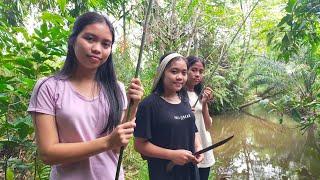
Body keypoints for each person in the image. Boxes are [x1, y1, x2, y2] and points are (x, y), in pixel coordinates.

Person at [27, 12, 143, 180]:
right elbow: (48, 153)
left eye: (105, 44)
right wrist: (107, 142)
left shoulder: (116, 89)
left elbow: (118, 148)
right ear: (73, 39)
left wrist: (134, 105)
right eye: (89, 39)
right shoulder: (49, 87)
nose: (97, 48)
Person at [134, 52, 204, 180]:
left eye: (183, 73)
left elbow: (192, 128)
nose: (180, 77)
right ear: (162, 73)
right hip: (164, 173)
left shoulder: (184, 99)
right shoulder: (148, 105)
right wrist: (171, 155)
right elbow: (139, 145)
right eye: (174, 71)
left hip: (190, 172)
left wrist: (198, 147)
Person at [185, 56, 215, 180]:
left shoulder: (199, 95)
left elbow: (207, 126)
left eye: (201, 71)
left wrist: (204, 104)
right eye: (194, 70)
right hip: (188, 148)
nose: (197, 74)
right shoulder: (177, 95)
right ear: (185, 70)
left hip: (204, 145)